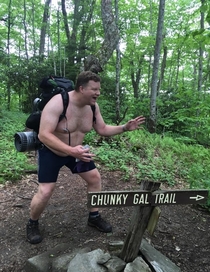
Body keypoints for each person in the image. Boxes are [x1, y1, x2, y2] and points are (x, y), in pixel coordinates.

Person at [26, 71, 145, 244]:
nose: (98, 93)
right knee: (45, 191)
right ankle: (32, 223)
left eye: (99, 89)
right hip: (52, 151)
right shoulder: (58, 103)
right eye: (94, 89)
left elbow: (102, 129)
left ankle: (94, 216)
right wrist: (70, 150)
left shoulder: (92, 107)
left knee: (94, 179)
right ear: (81, 88)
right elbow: (44, 135)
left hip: (77, 152)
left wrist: (124, 128)